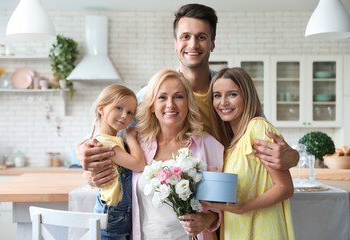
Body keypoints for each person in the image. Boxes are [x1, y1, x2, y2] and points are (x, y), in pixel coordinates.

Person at [76, 4, 299, 185]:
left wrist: (293, 157)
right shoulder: (151, 95)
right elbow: (107, 132)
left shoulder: (230, 94)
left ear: (212, 44)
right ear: (175, 44)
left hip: (228, 199)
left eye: (201, 37)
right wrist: (81, 150)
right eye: (185, 37)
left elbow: (267, 140)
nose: (193, 44)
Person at [202, 67, 295, 240]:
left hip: (262, 232)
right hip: (236, 231)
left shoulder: (258, 128)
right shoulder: (229, 143)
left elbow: (285, 188)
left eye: (232, 94)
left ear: (247, 96)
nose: (223, 103)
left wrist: (244, 207)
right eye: (217, 95)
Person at [133, 69, 223, 239]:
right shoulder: (136, 145)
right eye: (162, 97)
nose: (170, 104)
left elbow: (221, 205)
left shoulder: (208, 145)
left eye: (178, 97)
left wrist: (207, 218)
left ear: (188, 103)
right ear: (152, 105)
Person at [90, 84, 146, 239]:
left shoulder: (113, 140)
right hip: (113, 216)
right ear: (101, 109)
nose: (124, 116)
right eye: (119, 108)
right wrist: (131, 138)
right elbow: (139, 164)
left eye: (130, 112)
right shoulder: (107, 143)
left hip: (118, 215)